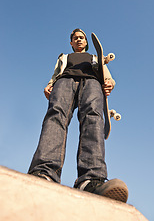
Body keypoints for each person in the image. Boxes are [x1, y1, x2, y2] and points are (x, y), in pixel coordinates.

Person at [28, 28, 128, 202]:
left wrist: (110, 82)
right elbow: (56, 72)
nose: (79, 40)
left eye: (81, 38)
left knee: (93, 119)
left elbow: (107, 75)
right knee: (55, 116)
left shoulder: (94, 57)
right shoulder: (64, 57)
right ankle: (44, 172)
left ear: (85, 42)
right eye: (75, 38)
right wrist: (50, 83)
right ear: (71, 43)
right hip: (64, 81)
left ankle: (91, 180)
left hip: (92, 83)